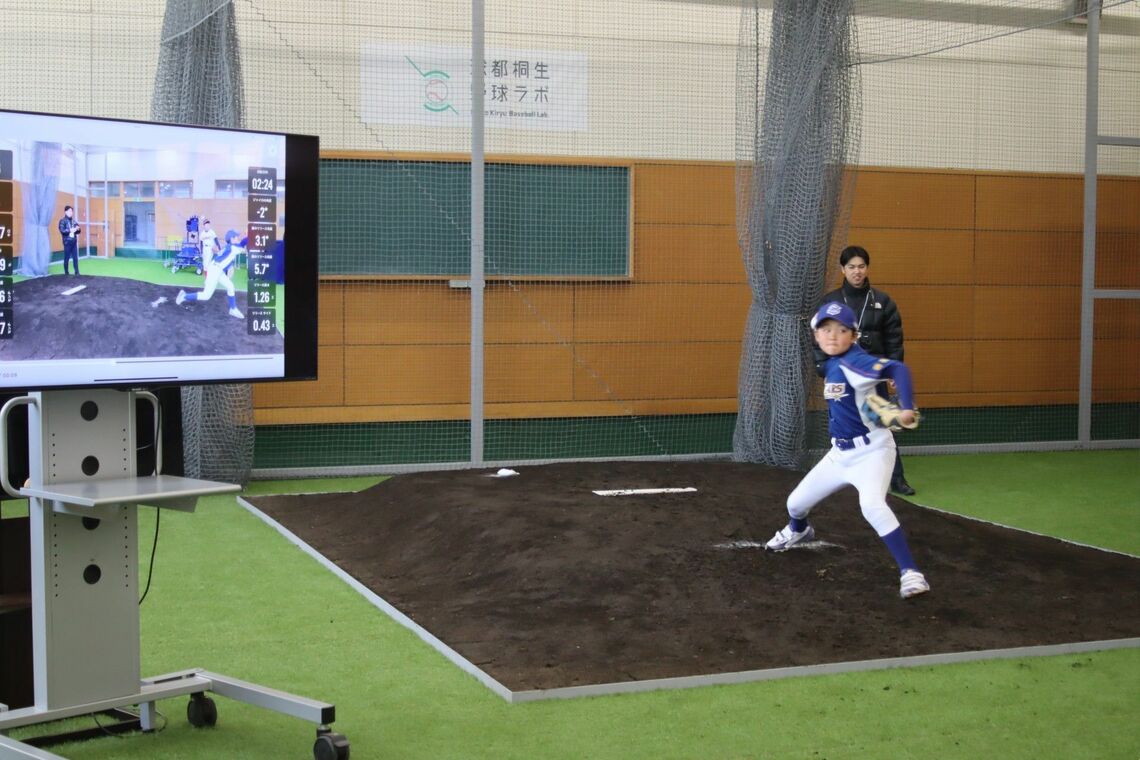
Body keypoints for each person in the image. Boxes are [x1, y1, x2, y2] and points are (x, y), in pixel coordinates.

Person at [766, 301, 930, 599]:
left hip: (872, 453)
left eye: (841, 330)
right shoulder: (831, 363)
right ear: (816, 335)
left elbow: (898, 368)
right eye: (825, 330)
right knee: (795, 504)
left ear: (853, 336)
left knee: (871, 505)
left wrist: (906, 407)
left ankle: (911, 572)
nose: (832, 336)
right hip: (840, 455)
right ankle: (799, 530)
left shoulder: (856, 361)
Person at [816, 245, 915, 496]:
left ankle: (897, 478)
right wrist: (823, 368)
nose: (857, 272)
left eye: (861, 266)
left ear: (867, 268)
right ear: (843, 270)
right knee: (844, 424)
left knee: (883, 423)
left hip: (874, 374)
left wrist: (893, 372)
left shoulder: (883, 301)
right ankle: (847, 479)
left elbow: (895, 338)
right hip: (841, 376)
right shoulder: (831, 301)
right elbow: (817, 338)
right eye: (851, 267)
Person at [176, 228, 244, 318]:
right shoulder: (233, 247)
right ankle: (184, 296)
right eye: (236, 237)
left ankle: (233, 309)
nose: (237, 238)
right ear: (231, 239)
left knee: (230, 287)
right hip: (215, 271)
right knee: (206, 295)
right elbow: (244, 244)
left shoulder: (230, 247)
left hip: (217, 270)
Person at [58, 205, 81, 275]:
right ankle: (66, 272)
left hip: (74, 242)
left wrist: (78, 229)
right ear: (66, 212)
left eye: (72, 211)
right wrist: (70, 230)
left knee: (75, 258)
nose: (71, 213)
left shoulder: (74, 221)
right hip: (67, 242)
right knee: (66, 258)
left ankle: (77, 272)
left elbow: (78, 231)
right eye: (70, 211)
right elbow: (62, 230)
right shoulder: (62, 221)